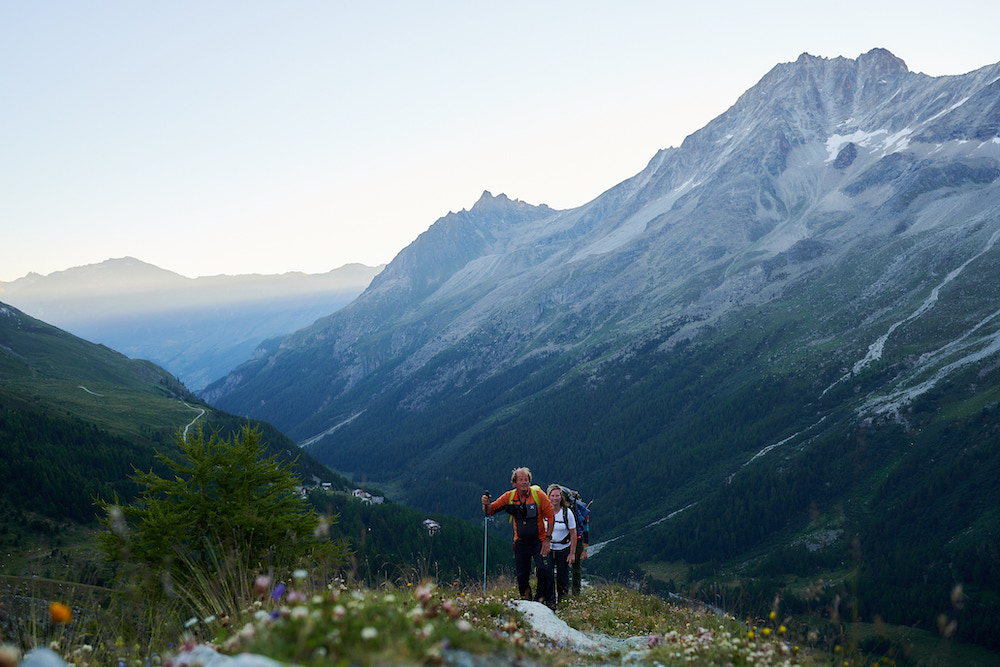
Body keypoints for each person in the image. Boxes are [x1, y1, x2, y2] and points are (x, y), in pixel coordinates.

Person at [482, 467, 555, 605]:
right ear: (514, 483)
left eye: (526, 480)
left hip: (539, 541)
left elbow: (551, 517)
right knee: (522, 577)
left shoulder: (539, 496)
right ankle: (527, 602)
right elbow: (490, 510)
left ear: (529, 481)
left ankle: (541, 601)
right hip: (521, 543)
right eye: (520, 480)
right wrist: (485, 503)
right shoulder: (509, 497)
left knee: (544, 571)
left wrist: (547, 539)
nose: (524, 482)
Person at [546, 484, 576, 603]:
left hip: (563, 550)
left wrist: (572, 554)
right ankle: (550, 602)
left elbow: (573, 534)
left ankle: (563, 603)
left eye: (557, 495)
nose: (555, 498)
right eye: (552, 495)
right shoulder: (544, 512)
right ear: (548, 497)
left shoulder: (567, 513)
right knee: (548, 577)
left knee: (562, 578)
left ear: (561, 497)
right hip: (548, 549)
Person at [570, 488, 590, 596]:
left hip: (564, 541)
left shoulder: (565, 509)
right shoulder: (582, 510)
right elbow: (586, 531)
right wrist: (585, 550)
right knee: (576, 569)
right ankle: (576, 594)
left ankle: (561, 592)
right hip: (578, 541)